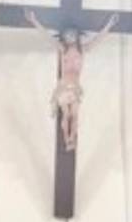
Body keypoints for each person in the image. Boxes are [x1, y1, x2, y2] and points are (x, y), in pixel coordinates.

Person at [25, 9, 119, 152]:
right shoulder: (63, 49)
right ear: (64, 37)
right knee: (66, 114)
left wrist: (109, 25)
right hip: (63, 87)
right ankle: (66, 138)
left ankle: (71, 139)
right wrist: (34, 21)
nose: (70, 37)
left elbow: (98, 39)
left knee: (74, 115)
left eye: (72, 35)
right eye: (68, 35)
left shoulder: (83, 50)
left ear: (77, 36)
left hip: (75, 88)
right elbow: (47, 37)